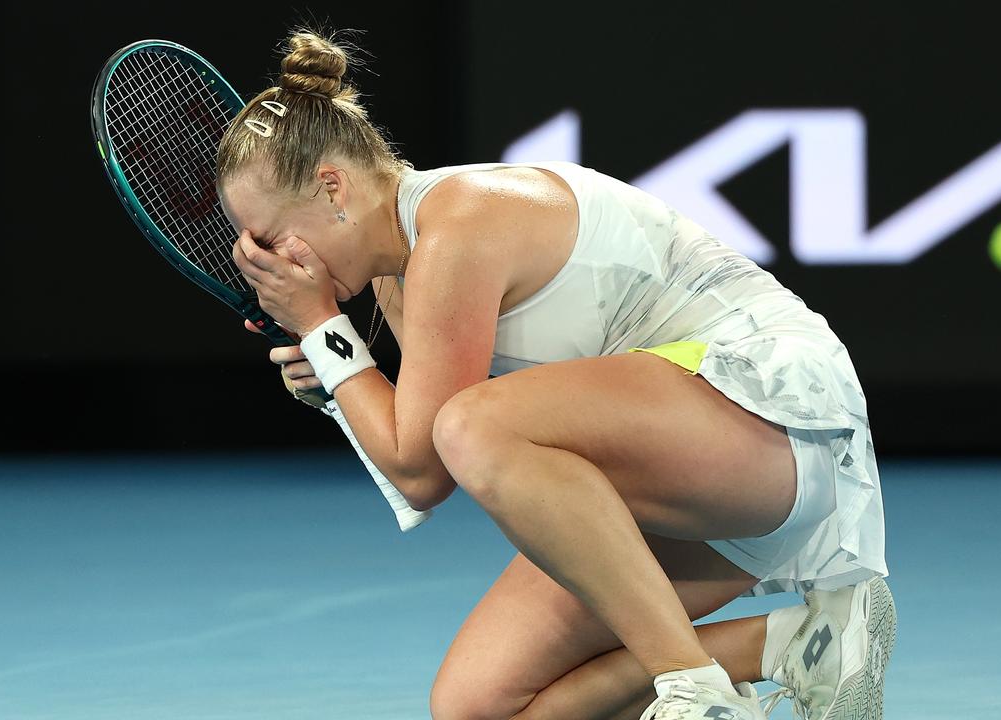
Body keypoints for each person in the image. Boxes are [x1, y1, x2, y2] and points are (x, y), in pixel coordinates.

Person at [219, 28, 895, 720]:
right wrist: (335, 364)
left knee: (473, 423)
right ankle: (798, 645)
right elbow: (417, 468)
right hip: (690, 476)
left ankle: (693, 692)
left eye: (269, 238)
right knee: (480, 706)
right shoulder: (402, 275)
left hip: (776, 419)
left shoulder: (458, 226)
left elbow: (431, 459)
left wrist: (323, 331)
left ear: (332, 186)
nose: (266, 264)